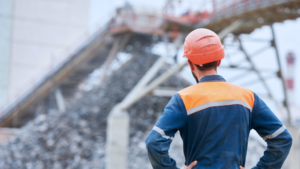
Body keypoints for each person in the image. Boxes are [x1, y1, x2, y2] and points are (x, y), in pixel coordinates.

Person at [145, 28, 292, 169]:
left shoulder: (184, 99)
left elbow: (154, 142)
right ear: (219, 60)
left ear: (190, 64)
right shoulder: (248, 97)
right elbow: (282, 139)